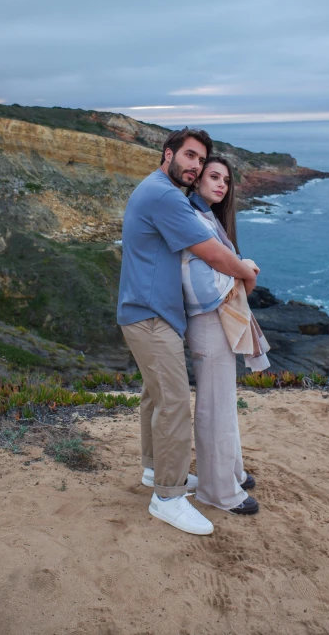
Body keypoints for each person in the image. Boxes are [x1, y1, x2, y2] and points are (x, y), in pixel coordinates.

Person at [117, 128, 258, 536]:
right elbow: (213, 253)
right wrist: (246, 272)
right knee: (175, 403)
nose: (196, 166)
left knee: (154, 396)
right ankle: (168, 496)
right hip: (150, 315)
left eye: (202, 160)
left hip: (145, 312)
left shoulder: (159, 191)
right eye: (191, 156)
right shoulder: (163, 195)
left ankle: (153, 471)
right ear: (169, 154)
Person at [183, 155, 270, 515]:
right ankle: (218, 492)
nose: (221, 184)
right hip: (207, 322)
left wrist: (236, 271)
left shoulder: (207, 217)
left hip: (217, 322)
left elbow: (218, 273)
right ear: (197, 179)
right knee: (213, 407)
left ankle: (230, 472)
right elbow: (200, 289)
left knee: (223, 402)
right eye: (213, 176)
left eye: (226, 180)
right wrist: (243, 270)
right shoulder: (191, 218)